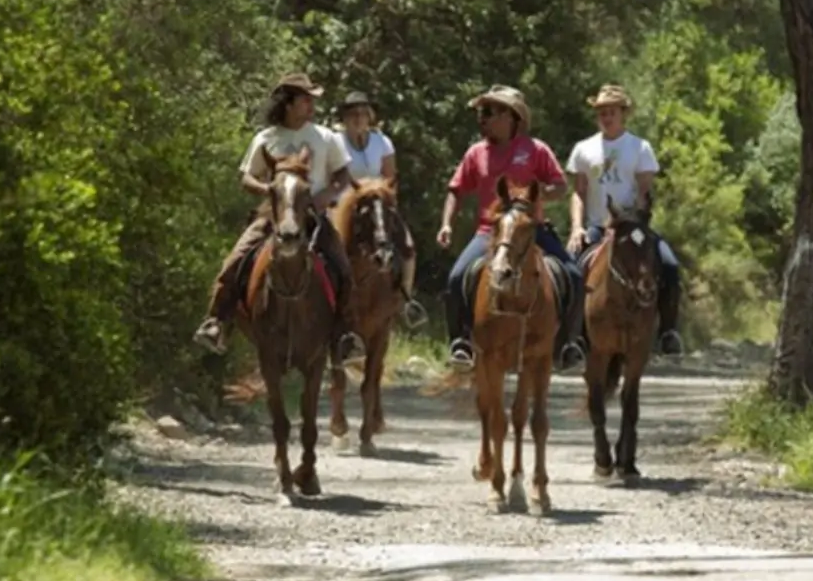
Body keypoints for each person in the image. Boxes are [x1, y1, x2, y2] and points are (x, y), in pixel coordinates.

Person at [192, 72, 367, 366]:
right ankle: (216, 322)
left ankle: (344, 335)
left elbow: (342, 175)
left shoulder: (326, 137)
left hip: (314, 218)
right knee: (234, 262)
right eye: (305, 99)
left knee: (343, 269)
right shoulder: (266, 138)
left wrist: (327, 195)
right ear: (288, 103)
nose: (311, 104)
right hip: (271, 218)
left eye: (312, 99)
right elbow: (246, 177)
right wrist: (269, 191)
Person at [438, 84, 586, 372]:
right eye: (481, 112)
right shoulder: (475, 153)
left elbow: (559, 185)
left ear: (511, 116)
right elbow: (455, 189)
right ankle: (461, 343)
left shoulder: (536, 149)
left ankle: (568, 343)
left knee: (574, 275)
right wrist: (446, 224)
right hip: (489, 231)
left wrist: (540, 194)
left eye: (490, 112)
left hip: (533, 229)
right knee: (457, 277)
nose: (483, 118)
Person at [564, 83, 683, 355]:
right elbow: (578, 193)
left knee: (670, 265)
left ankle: (667, 331)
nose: (606, 117)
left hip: (632, 227)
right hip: (595, 225)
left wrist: (629, 221)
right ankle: (571, 336)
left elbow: (644, 192)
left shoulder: (640, 148)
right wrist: (576, 227)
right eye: (602, 112)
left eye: (612, 112)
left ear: (623, 114)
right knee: (570, 268)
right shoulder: (584, 149)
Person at [334, 91, 427, 328]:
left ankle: (406, 299)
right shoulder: (335, 142)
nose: (358, 119)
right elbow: (335, 177)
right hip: (347, 204)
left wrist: (381, 194)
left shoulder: (382, 142)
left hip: (378, 202)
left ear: (370, 117)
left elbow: (390, 177)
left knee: (407, 246)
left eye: (363, 114)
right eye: (353, 114)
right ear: (344, 118)